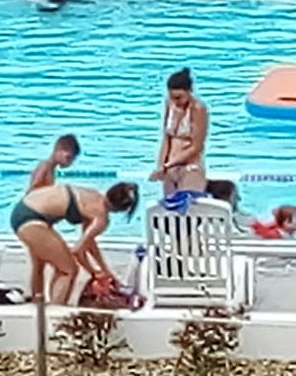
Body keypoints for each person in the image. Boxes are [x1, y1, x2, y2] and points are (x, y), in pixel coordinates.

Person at [10, 181, 140, 305]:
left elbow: (89, 243)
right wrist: (94, 272)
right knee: (69, 270)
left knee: (45, 265)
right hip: (32, 220)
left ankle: (38, 307)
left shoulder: (94, 194)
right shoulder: (101, 218)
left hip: (24, 208)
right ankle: (55, 315)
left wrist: (105, 270)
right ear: (121, 210)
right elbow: (77, 251)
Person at [153, 68, 209, 197]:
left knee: (188, 208)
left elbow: (196, 146)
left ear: (190, 91)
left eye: (179, 98)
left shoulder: (198, 109)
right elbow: (167, 138)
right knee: (170, 209)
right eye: (172, 97)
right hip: (170, 167)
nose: (175, 101)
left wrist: (168, 164)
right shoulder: (170, 104)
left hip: (190, 167)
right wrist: (161, 165)